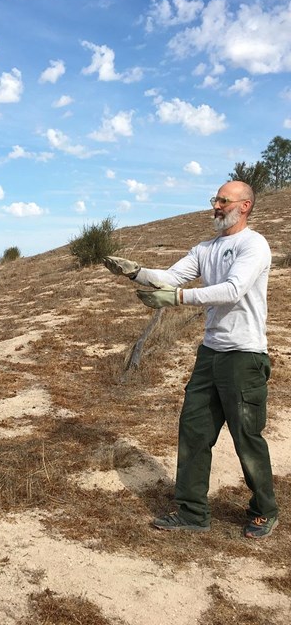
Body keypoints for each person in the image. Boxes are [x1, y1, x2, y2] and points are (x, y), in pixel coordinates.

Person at [104, 180, 278, 538]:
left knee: (246, 436)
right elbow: (171, 276)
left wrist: (179, 299)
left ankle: (264, 508)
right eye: (215, 199)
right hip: (210, 354)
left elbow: (233, 290)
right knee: (194, 431)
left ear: (244, 206)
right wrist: (135, 271)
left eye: (223, 201)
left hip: (244, 356)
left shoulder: (253, 244)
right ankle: (192, 511)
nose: (215, 206)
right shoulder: (204, 248)